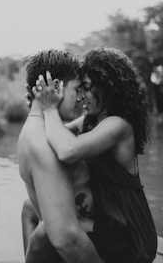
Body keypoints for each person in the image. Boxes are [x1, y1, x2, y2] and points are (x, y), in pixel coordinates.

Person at [33, 47, 158, 263]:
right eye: (80, 89)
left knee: (52, 230)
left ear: (108, 88)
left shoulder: (118, 125)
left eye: (87, 88)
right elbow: (55, 136)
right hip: (107, 220)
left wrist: (50, 109)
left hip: (131, 231)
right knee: (30, 210)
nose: (81, 96)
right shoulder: (90, 121)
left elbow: (67, 150)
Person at [18, 49, 103, 263]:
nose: (79, 98)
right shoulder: (42, 143)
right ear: (56, 87)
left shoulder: (40, 129)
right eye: (76, 89)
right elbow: (66, 238)